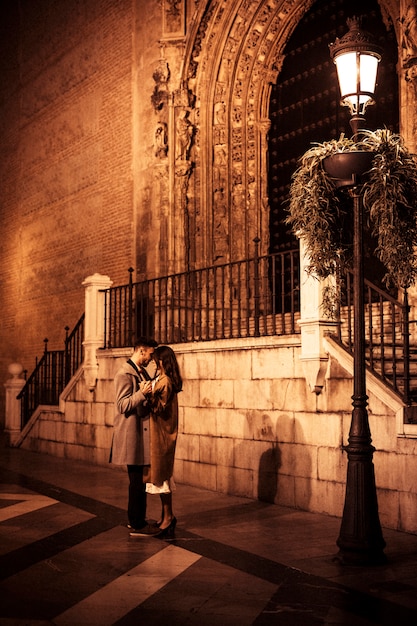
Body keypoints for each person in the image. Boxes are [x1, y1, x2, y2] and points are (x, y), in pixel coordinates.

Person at [110, 336, 160, 537]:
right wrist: (142, 393)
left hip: (140, 434)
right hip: (131, 435)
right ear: (141, 351)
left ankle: (138, 520)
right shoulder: (124, 374)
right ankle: (136, 523)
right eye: (150, 354)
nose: (151, 358)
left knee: (140, 481)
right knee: (136, 481)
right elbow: (122, 405)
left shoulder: (141, 372)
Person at [144, 345, 183, 537]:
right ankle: (165, 516)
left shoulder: (166, 381)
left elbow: (160, 407)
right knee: (160, 477)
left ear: (162, 361)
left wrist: (146, 394)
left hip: (163, 436)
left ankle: (168, 518)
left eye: (155, 359)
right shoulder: (161, 378)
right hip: (158, 434)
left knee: (163, 477)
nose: (153, 362)